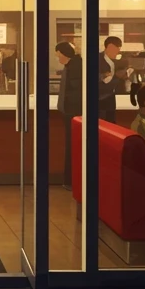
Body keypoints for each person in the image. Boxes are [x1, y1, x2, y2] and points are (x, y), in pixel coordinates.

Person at [55, 41, 83, 190]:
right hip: (70, 112)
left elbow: (76, 92)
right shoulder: (73, 65)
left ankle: (72, 180)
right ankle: (70, 180)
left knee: (73, 146)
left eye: (58, 54)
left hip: (74, 113)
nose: (58, 58)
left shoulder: (75, 67)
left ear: (64, 54)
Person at [98, 36, 132, 122]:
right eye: (116, 51)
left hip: (112, 98)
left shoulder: (120, 61)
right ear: (109, 47)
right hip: (100, 99)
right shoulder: (97, 60)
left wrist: (125, 76)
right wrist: (104, 76)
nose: (117, 53)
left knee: (111, 123)